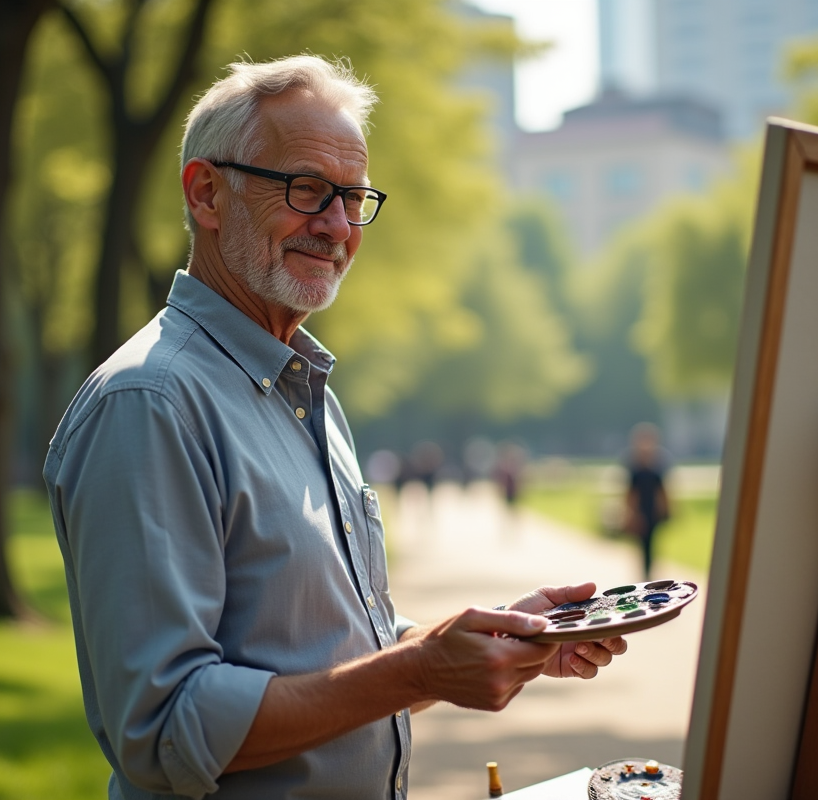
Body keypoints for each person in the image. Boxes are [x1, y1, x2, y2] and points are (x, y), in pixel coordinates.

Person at [43, 56, 627, 800]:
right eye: (307, 190)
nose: (337, 226)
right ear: (207, 194)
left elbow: (339, 661)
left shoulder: (303, 389)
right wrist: (417, 670)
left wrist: (499, 641)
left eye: (353, 198)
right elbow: (162, 733)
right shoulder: (150, 403)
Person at [625, 422, 670, 579]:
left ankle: (649, 573)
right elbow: (631, 493)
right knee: (643, 546)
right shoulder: (634, 467)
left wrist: (666, 508)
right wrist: (632, 513)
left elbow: (662, 489)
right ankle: (645, 575)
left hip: (653, 511)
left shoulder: (658, 464)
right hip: (640, 511)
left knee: (652, 544)